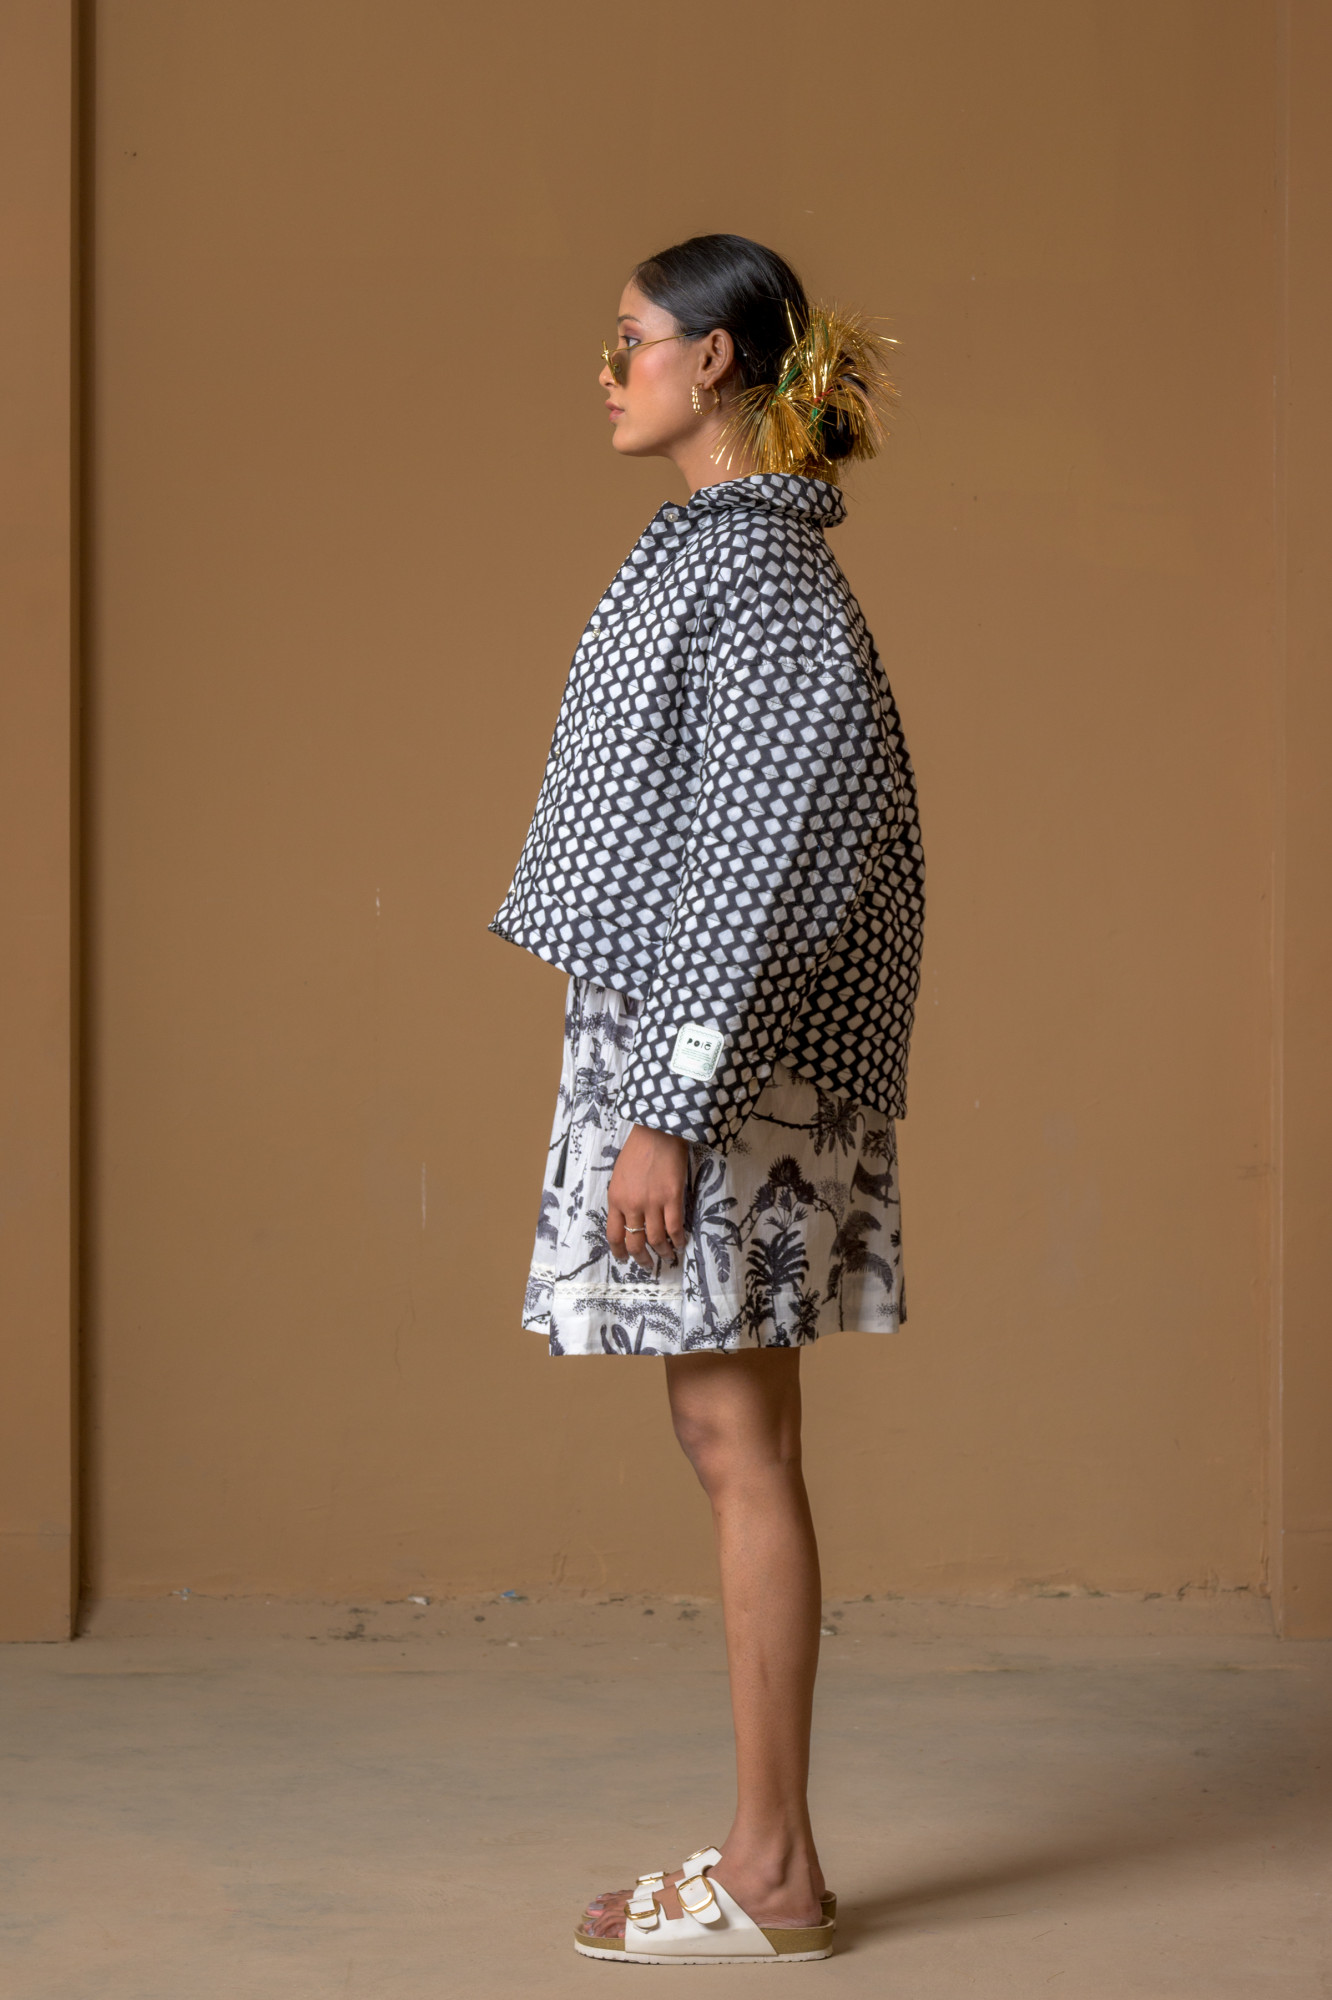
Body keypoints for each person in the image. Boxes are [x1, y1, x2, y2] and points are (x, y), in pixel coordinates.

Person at [487, 233, 925, 1965]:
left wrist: (668, 1108)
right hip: (694, 1046)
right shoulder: (721, 554)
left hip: (718, 1065)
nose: (607, 373)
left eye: (628, 342)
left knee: (741, 1448)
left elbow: (753, 867)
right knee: (732, 1440)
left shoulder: (761, 579)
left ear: (716, 360)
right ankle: (774, 1857)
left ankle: (770, 1870)